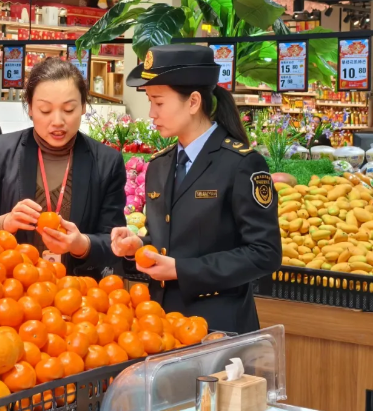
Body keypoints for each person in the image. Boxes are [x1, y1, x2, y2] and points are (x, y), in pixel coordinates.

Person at [111, 45, 281, 334]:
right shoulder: (160, 165)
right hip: (162, 324)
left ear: (193, 102)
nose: (151, 113)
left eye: (159, 102)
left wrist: (181, 269)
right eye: (150, 101)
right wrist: (138, 246)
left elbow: (265, 252)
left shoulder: (241, 164)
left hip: (219, 328)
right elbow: (168, 237)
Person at [0, 58, 126, 278]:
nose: (58, 121)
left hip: (77, 296)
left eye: (69, 110)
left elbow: (114, 242)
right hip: (9, 293)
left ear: (83, 107)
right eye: (45, 110)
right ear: (30, 108)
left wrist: (82, 244)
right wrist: (5, 222)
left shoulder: (107, 163)